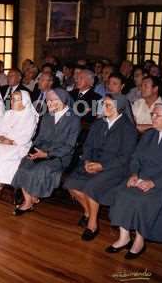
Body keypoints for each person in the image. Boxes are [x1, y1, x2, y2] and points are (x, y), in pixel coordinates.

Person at [63, 94, 137, 241]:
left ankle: (92, 225)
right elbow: (88, 146)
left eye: (108, 105)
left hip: (116, 168)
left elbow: (125, 157)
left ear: (120, 108)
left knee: (91, 187)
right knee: (71, 183)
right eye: (103, 104)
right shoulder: (98, 124)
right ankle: (88, 212)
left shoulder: (127, 128)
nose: (104, 107)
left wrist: (102, 166)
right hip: (93, 163)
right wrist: (87, 161)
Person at [107, 103, 162, 259]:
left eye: (158, 115)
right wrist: (134, 174)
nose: (153, 117)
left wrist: (153, 183)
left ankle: (139, 239)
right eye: (153, 114)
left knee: (142, 200)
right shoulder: (150, 134)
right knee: (122, 193)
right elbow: (136, 157)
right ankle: (124, 237)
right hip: (141, 178)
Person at [11, 88, 81, 215]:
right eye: (48, 100)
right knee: (24, 164)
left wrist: (47, 154)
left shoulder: (73, 119)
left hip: (60, 156)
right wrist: (33, 151)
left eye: (53, 100)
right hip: (42, 152)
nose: (49, 103)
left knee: (39, 169)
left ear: (63, 100)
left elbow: (69, 146)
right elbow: (40, 138)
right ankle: (29, 200)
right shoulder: (48, 115)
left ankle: (29, 201)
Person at [0, 90, 38, 200]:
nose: (11, 102)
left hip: (19, 146)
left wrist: (11, 141)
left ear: (24, 101)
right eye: (11, 99)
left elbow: (26, 136)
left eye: (15, 100)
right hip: (3, 143)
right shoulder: (8, 113)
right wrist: (2, 137)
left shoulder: (30, 116)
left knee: (0, 160)